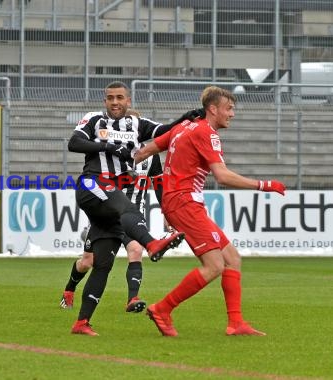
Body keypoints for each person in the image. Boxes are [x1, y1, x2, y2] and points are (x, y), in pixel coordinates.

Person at [133, 86, 286, 337]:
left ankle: (236, 323)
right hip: (185, 203)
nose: (232, 114)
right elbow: (222, 176)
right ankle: (163, 308)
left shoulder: (183, 127)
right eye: (229, 108)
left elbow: (147, 150)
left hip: (179, 202)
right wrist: (263, 185)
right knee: (215, 265)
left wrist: (115, 168)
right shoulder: (206, 132)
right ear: (213, 109)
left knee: (232, 258)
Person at [68, 81, 203, 336]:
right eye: (110, 98)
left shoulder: (137, 125)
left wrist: (184, 118)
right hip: (92, 183)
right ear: (105, 101)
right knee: (128, 208)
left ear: (128, 101)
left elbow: (163, 130)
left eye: (120, 98)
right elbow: (74, 143)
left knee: (103, 263)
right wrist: (106, 146)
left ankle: (81, 323)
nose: (115, 102)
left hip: (109, 198)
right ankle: (152, 244)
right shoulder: (94, 120)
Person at [60, 109, 169, 315]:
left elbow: (159, 184)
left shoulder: (150, 155)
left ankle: (132, 298)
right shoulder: (110, 154)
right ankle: (69, 289)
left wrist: (166, 211)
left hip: (132, 215)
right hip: (108, 211)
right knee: (88, 262)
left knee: (136, 250)